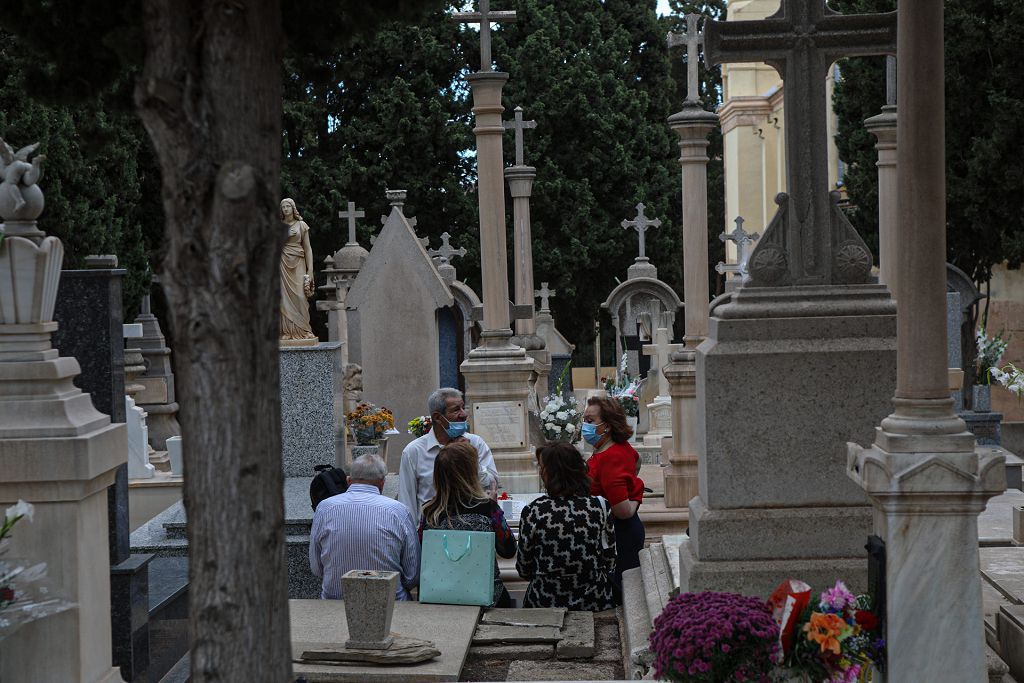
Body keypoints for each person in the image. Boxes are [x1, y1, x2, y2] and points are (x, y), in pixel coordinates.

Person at [516, 442, 616, 610]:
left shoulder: (534, 511)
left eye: (542, 467)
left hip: (545, 600)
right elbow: (610, 559)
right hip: (593, 598)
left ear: (549, 473)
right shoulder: (600, 506)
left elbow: (523, 567)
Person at [308, 454, 419, 600]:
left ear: (349, 481)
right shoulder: (398, 511)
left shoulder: (324, 508)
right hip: (389, 602)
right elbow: (412, 574)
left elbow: (316, 568)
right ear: (382, 483)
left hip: (335, 601)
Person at [420, 442, 516, 607]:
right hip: (488, 596)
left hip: (442, 598)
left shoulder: (429, 511)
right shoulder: (488, 508)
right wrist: (494, 507)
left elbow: (424, 550)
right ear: (471, 473)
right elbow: (508, 550)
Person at [582, 395, 645, 602]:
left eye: (590, 421)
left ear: (607, 425)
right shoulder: (610, 449)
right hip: (613, 534)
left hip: (620, 534)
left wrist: (638, 489)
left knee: (622, 595)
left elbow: (623, 511)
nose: (585, 426)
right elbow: (636, 462)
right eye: (584, 420)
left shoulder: (611, 456)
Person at [398, 387, 497, 517]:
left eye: (463, 407)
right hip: (432, 531)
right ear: (438, 417)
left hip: (475, 529)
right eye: (456, 410)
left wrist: (468, 456)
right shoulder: (413, 452)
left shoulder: (475, 443)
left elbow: (491, 485)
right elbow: (407, 503)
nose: (464, 414)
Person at [279, 197, 317, 343]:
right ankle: (287, 332)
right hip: (282, 264)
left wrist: (311, 269)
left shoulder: (301, 225)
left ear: (293, 208)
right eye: (283, 207)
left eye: (288, 206)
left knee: (300, 297)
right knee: (283, 299)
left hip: (298, 263)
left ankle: (305, 330)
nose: (285, 209)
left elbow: (308, 248)